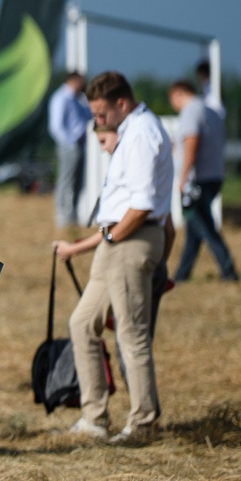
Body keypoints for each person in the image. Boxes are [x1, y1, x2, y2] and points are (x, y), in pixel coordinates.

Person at [53, 72, 173, 442]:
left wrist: (109, 236)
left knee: (131, 333)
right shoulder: (133, 130)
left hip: (130, 239)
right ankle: (95, 418)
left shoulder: (141, 133)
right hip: (120, 240)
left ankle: (143, 423)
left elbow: (142, 205)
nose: (98, 121)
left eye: (101, 114)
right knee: (82, 323)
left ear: (121, 103)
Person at [169, 79, 239, 283]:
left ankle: (228, 270)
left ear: (178, 93)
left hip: (196, 181)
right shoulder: (210, 111)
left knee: (204, 226)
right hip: (213, 176)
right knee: (194, 227)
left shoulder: (191, 111)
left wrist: (184, 177)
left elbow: (192, 142)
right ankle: (182, 273)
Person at [48, 71, 92, 228]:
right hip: (69, 146)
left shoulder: (78, 99)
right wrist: (70, 143)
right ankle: (62, 214)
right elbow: (56, 127)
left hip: (80, 144)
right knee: (66, 180)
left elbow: (88, 116)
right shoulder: (61, 98)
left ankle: (73, 213)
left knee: (78, 182)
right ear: (72, 80)